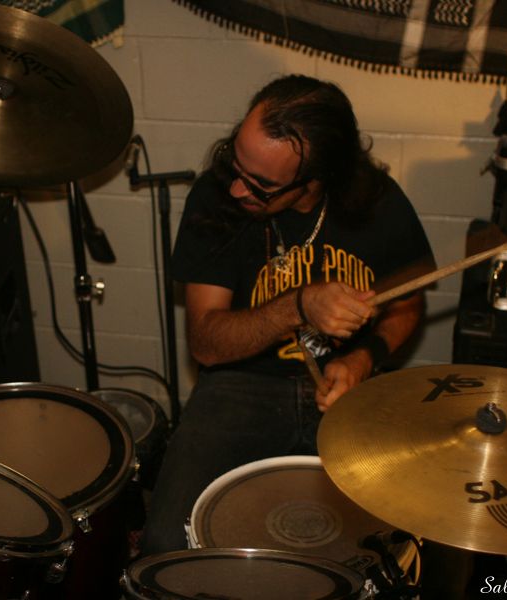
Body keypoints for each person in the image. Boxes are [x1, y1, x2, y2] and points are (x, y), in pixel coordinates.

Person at [141, 74, 436, 556]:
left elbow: (407, 304)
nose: (237, 187)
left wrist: (364, 358)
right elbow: (206, 344)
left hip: (347, 393)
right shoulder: (215, 196)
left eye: (261, 186)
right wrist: (298, 305)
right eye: (234, 161)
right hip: (239, 384)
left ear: (316, 179)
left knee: (383, 548)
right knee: (167, 542)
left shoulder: (378, 201)